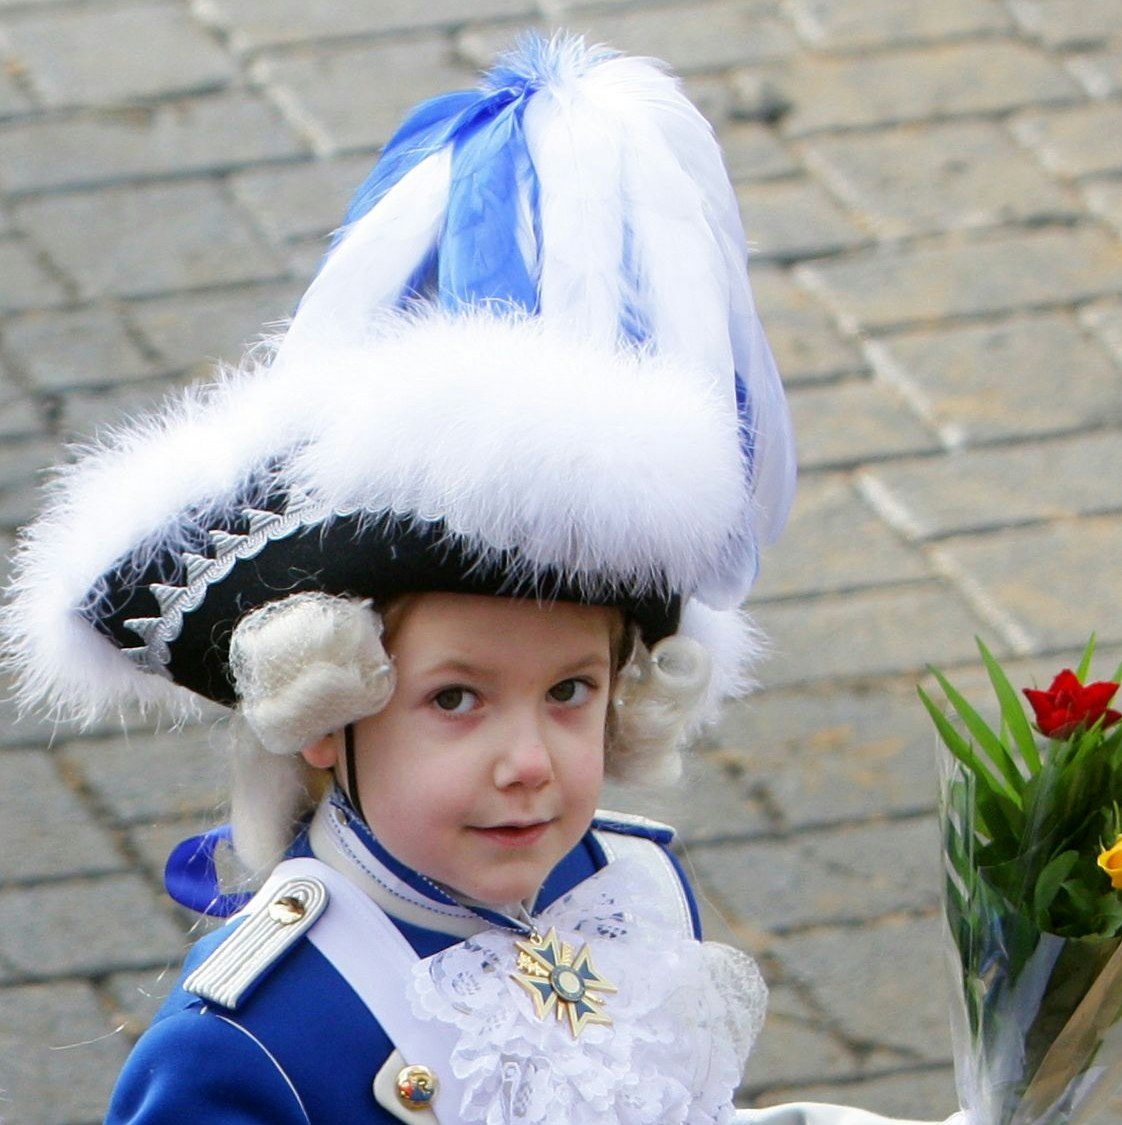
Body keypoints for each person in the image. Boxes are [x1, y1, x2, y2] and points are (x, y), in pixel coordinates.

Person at [1, 36, 944, 1125]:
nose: (529, 762)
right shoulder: (257, 1039)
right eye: (456, 698)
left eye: (570, 691)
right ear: (326, 709)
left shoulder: (627, 893)